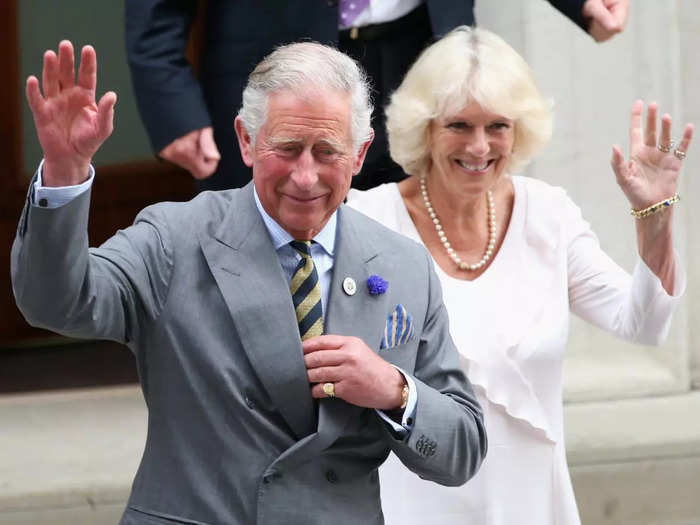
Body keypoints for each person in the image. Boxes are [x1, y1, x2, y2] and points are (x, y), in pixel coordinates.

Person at [12, 39, 487, 525]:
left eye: (326, 151)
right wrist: (65, 172)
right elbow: (58, 302)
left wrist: (393, 389)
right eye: (287, 149)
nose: (305, 176)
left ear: (361, 152)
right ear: (246, 140)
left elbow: (461, 449)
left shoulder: (401, 264)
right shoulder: (175, 239)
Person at [347, 26, 692, 524]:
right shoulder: (368, 221)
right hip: (411, 505)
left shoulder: (547, 215)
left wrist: (655, 217)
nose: (480, 146)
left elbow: (642, 322)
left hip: (530, 503)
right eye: (459, 125)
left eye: (498, 126)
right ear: (424, 127)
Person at [125, 0, 629, 192]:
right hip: (280, 65)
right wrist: (169, 99)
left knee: (428, 258)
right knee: (271, 265)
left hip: (421, 55)